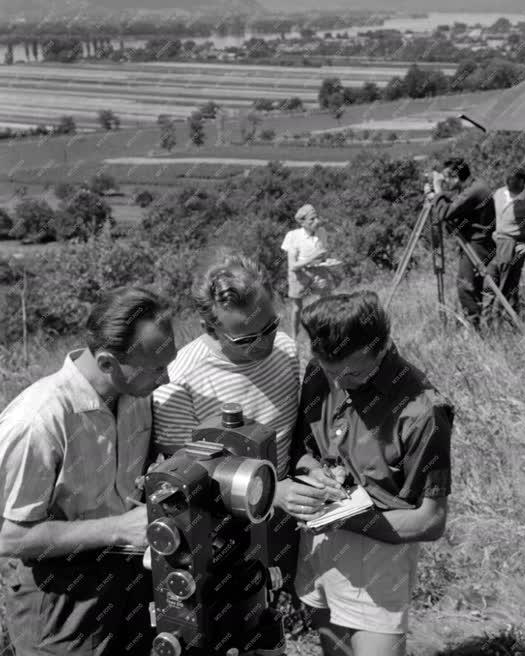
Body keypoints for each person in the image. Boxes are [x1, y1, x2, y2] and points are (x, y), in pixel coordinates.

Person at [0, 287, 177, 656]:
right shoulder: (38, 421)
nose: (166, 380)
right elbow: (10, 538)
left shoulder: (136, 396)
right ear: (109, 363)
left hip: (128, 582)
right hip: (59, 600)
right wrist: (118, 528)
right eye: (156, 369)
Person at [152, 253, 332, 594]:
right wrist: (271, 493)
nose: (263, 343)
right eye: (246, 339)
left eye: (270, 326)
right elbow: (184, 472)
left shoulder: (285, 349)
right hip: (221, 531)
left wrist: (306, 468)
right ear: (210, 329)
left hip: (284, 514)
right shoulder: (179, 380)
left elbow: (290, 434)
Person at [291, 291, 453, 656]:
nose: (341, 381)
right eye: (332, 372)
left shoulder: (423, 413)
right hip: (317, 543)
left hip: (378, 553)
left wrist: (345, 520)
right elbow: (302, 452)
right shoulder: (322, 371)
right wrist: (314, 472)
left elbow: (431, 521)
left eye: (354, 371)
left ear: (381, 348)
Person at [432, 158, 496, 328]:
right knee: (473, 286)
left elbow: (445, 212)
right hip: (478, 241)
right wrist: (439, 195)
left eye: (446, 178)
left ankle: (474, 327)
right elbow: (455, 197)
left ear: (455, 176)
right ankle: (480, 322)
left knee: (465, 286)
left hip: (477, 244)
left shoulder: (474, 191)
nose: (445, 182)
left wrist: (437, 190)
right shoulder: (474, 185)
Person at [483, 168, 525, 320]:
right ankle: (488, 320)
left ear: (522, 181)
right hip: (495, 243)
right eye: (508, 178)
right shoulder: (499, 193)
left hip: (513, 245)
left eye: (513, 179)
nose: (509, 182)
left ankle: (504, 321)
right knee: (490, 282)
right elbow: (490, 214)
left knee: (507, 287)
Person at [281, 203, 335, 340]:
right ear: (302, 222)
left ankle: (325, 332)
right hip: (299, 273)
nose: (316, 222)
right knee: (297, 307)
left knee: (326, 301)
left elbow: (322, 255)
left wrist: (326, 261)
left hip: (318, 269)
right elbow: (293, 266)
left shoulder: (321, 232)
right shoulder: (293, 236)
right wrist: (313, 257)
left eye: (316, 218)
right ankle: (294, 337)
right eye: (312, 219)